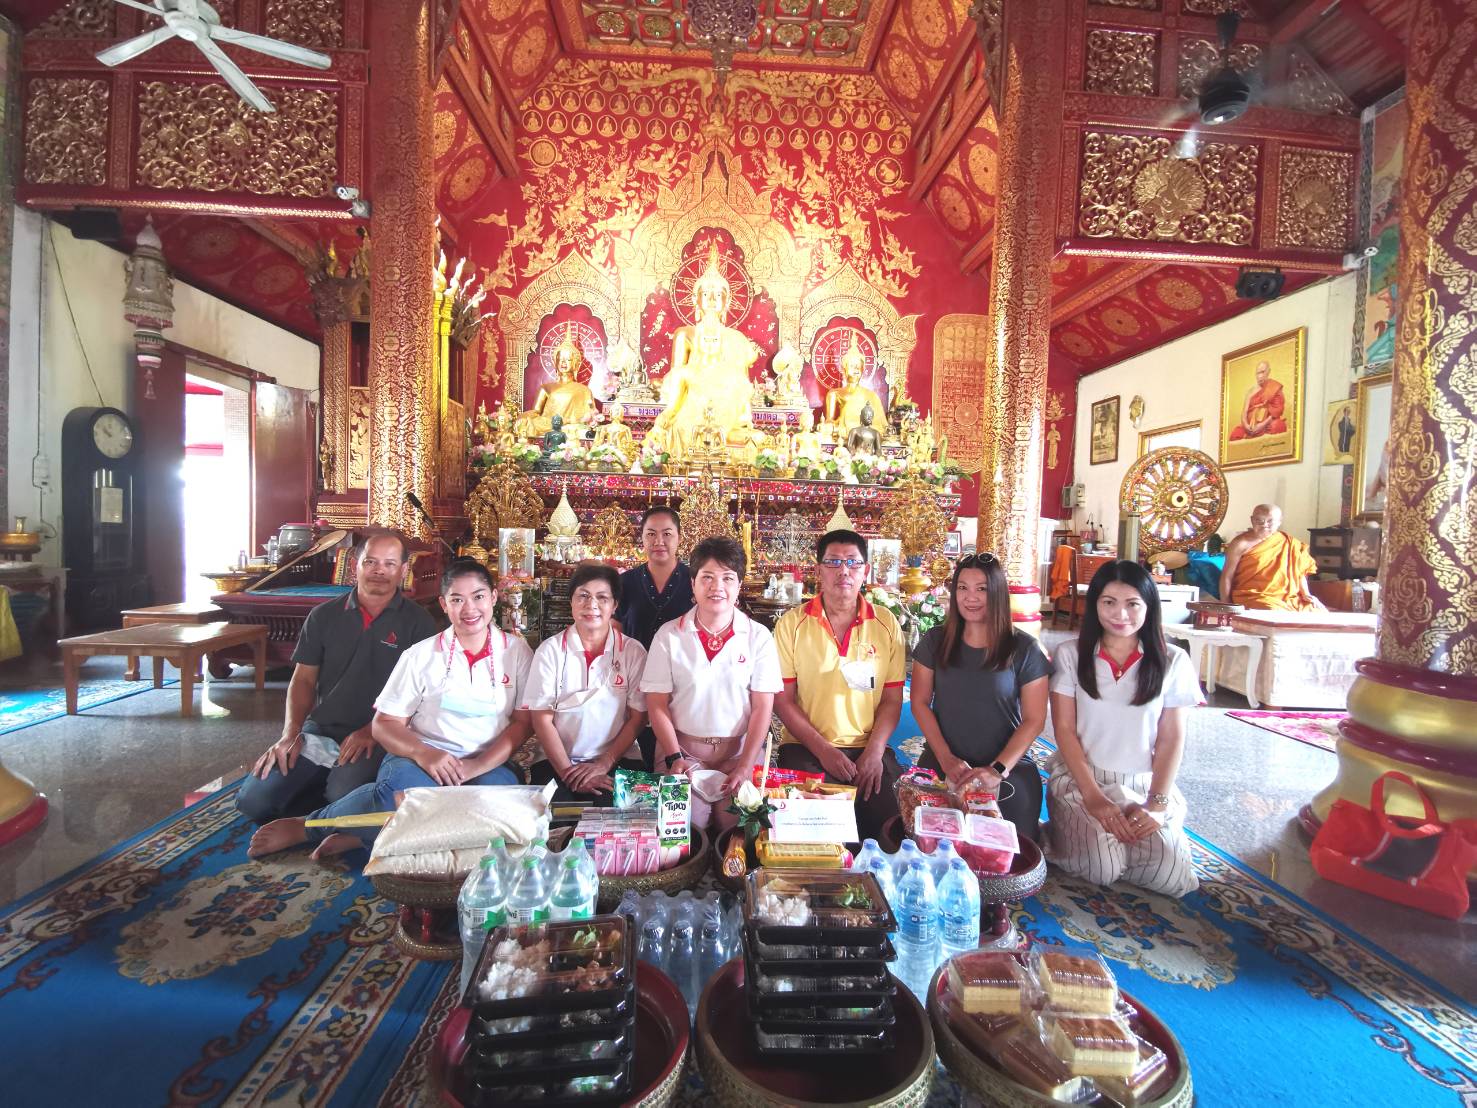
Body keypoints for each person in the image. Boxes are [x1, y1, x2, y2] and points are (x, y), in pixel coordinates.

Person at [248, 559, 533, 858]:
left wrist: (478, 765)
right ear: (444, 605)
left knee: (504, 813)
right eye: (457, 600)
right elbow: (384, 724)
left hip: (487, 761)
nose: (470, 609)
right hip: (422, 758)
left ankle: (363, 836)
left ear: (493, 598)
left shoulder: (516, 652)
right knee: (397, 800)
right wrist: (425, 754)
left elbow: (522, 723)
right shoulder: (420, 655)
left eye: (478, 596)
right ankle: (310, 825)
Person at [236, 530, 440, 824]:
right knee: (253, 802)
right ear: (355, 565)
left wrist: (371, 730)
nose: (379, 571)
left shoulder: (419, 622)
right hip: (322, 729)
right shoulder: (323, 616)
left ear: (403, 570)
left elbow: (422, 696)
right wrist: (290, 734)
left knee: (341, 794)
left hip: (380, 734)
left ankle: (314, 812)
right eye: (370, 562)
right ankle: (317, 806)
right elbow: (303, 680)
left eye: (390, 564)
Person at [1046, 561, 1203, 897]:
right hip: (1083, 777)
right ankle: (1062, 835)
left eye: (1132, 604)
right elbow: (1064, 728)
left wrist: (1156, 803)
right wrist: (1093, 797)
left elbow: (1172, 737)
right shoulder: (1072, 654)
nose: (1121, 614)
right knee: (1103, 868)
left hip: (1142, 782)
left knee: (1170, 877)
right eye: (1109, 602)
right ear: (1095, 605)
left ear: (1149, 606)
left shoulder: (1173, 660)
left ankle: (1125, 840)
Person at [641, 536, 782, 832]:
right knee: (689, 827)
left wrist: (745, 765)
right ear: (693, 584)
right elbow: (657, 704)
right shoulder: (669, 636)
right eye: (707, 577)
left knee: (737, 826)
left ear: (739, 586)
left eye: (727, 578)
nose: (717, 587)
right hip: (684, 754)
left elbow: (762, 708)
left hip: (740, 753)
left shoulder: (758, 637)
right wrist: (675, 756)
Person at [772, 529, 906, 838]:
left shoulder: (886, 623)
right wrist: (823, 750)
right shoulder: (792, 624)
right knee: (819, 831)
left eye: (852, 562)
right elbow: (783, 700)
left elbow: (892, 699)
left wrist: (875, 751)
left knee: (892, 828)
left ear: (865, 570)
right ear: (818, 570)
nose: (843, 571)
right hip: (807, 745)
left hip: (867, 745)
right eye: (833, 562)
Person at [910, 552, 1051, 843]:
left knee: (1012, 846)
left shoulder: (1024, 649)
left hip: (1006, 766)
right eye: (963, 587)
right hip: (944, 760)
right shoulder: (935, 641)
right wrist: (946, 759)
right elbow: (920, 703)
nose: (970, 597)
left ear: (997, 592)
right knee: (926, 840)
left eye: (982, 588)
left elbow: (1035, 719)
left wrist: (997, 770)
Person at [523, 562, 648, 802]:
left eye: (602, 598)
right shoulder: (550, 651)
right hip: (558, 760)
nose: (592, 605)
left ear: (615, 605)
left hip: (617, 757)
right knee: (554, 815)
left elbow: (638, 717)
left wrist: (604, 764)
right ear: (571, 601)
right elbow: (541, 718)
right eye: (583, 596)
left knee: (623, 813)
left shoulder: (632, 652)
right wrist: (568, 773)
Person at [617, 506, 694, 767]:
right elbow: (614, 632)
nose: (659, 541)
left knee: (673, 758)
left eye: (667, 534)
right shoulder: (626, 583)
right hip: (634, 680)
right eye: (651, 534)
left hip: (680, 683)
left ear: (679, 538)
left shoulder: (695, 581)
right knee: (638, 756)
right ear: (642, 538)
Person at [1219, 503, 1324, 611]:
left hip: (1288, 597)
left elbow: (1299, 572)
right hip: (1254, 596)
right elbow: (1227, 576)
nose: (1264, 525)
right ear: (1252, 520)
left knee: (1318, 611)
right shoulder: (1240, 543)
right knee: (1273, 612)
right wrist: (1226, 605)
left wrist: (1306, 594)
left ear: (1279, 522)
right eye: (1259, 520)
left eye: (1270, 521)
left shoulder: (1288, 542)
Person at [1228, 360, 1287, 440]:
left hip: (1267, 424)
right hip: (1250, 425)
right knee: (1235, 434)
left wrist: (1261, 425)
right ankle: (1250, 434)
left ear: (1268, 372)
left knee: (1278, 426)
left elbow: (1277, 411)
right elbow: (1244, 413)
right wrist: (1246, 426)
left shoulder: (1274, 387)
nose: (1260, 376)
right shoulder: (1251, 391)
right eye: (1258, 373)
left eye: (1262, 372)